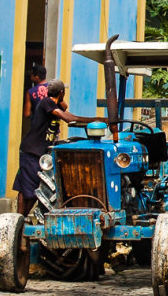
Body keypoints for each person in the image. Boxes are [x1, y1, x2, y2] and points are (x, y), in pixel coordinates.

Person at [13, 79, 103, 217]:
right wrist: (96, 120)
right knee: (30, 190)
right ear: (61, 93)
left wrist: (60, 99)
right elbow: (68, 118)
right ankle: (19, 219)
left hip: (38, 151)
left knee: (28, 188)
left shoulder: (54, 104)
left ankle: (19, 220)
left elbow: (65, 108)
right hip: (31, 150)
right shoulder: (47, 102)